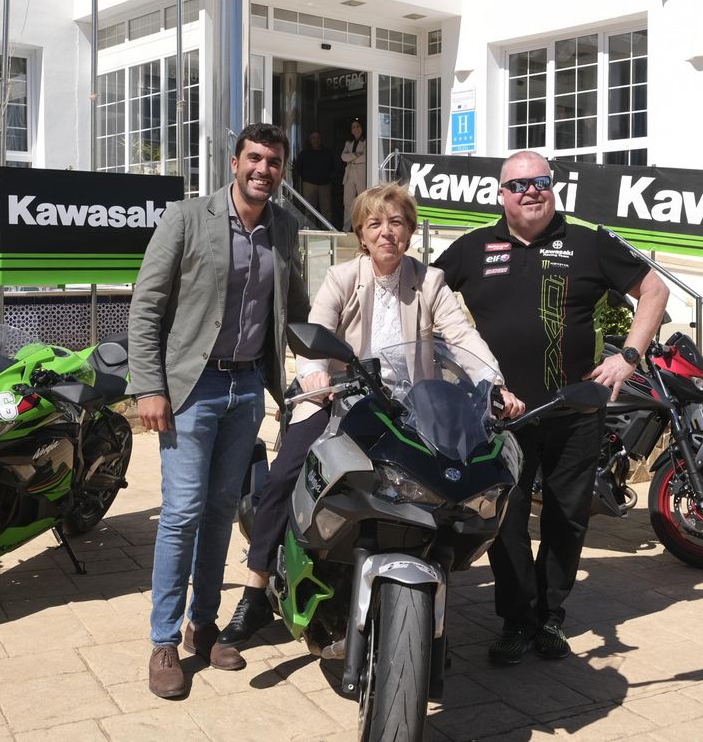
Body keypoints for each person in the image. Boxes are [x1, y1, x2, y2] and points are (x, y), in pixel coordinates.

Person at [213, 183, 527, 655]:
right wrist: (315, 373)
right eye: (375, 224)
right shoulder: (343, 277)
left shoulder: (430, 281)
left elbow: (463, 336)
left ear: (410, 231)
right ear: (361, 234)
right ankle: (255, 592)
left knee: (450, 477)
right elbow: (317, 330)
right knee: (286, 474)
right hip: (341, 397)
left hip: (411, 405)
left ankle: (421, 589)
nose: (386, 233)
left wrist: (494, 384)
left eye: (396, 222)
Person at [434, 150, 670, 665]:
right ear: (501, 194)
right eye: (519, 185)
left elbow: (654, 288)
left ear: (552, 187)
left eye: (540, 182)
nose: (531, 192)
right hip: (502, 416)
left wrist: (629, 357)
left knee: (567, 517)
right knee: (507, 519)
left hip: (575, 410)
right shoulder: (473, 248)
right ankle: (517, 620)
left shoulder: (588, 242)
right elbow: (421, 294)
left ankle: (550, 617)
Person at [127, 122, 310, 698]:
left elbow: (299, 312)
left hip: (248, 387)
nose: (263, 169)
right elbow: (146, 306)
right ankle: (163, 640)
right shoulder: (186, 218)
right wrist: (148, 387)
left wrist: (324, 366)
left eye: (273, 162)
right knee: (182, 511)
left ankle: (201, 625)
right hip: (191, 388)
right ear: (234, 163)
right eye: (254, 158)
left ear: (281, 170)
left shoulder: (286, 227)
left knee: (221, 511)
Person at [294, 130, 337, 223]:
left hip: (325, 185)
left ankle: (327, 230)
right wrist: (306, 177)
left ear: (321, 139)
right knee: (309, 210)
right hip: (309, 184)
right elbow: (298, 168)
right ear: (310, 139)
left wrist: (329, 178)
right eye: (313, 138)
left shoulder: (327, 152)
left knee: (326, 210)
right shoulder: (304, 153)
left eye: (318, 138)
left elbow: (333, 167)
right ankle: (310, 229)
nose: (316, 140)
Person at [339, 118, 368, 229]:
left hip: (361, 174)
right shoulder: (348, 143)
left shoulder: (366, 141)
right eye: (353, 127)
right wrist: (355, 155)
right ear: (351, 130)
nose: (356, 129)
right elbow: (343, 157)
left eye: (358, 126)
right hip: (349, 174)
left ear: (362, 128)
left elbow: (365, 157)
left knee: (363, 201)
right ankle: (346, 228)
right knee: (348, 203)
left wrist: (351, 158)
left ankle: (364, 227)